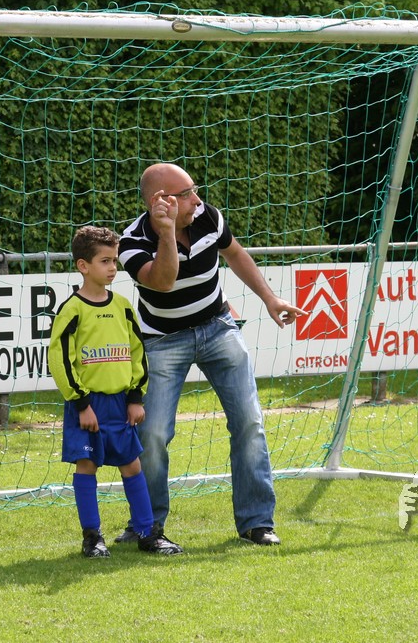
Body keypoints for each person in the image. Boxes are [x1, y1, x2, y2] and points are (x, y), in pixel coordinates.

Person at [115, 163, 304, 550]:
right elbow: (163, 281)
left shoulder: (208, 216)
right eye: (186, 194)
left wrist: (270, 299)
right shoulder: (132, 242)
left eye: (194, 190)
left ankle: (256, 523)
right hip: (162, 341)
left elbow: (235, 254)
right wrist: (166, 233)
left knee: (250, 422)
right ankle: (148, 526)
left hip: (218, 327)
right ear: (160, 201)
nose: (197, 200)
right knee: (152, 434)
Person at [48, 225, 183, 557]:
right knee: (87, 465)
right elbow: (60, 359)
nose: (112, 268)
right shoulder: (72, 310)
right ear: (83, 266)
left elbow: (138, 353)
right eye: (105, 261)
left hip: (121, 405)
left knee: (132, 465)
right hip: (88, 405)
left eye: (114, 260)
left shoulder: (122, 306)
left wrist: (136, 398)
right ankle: (92, 537)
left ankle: (147, 533)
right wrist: (81, 404)